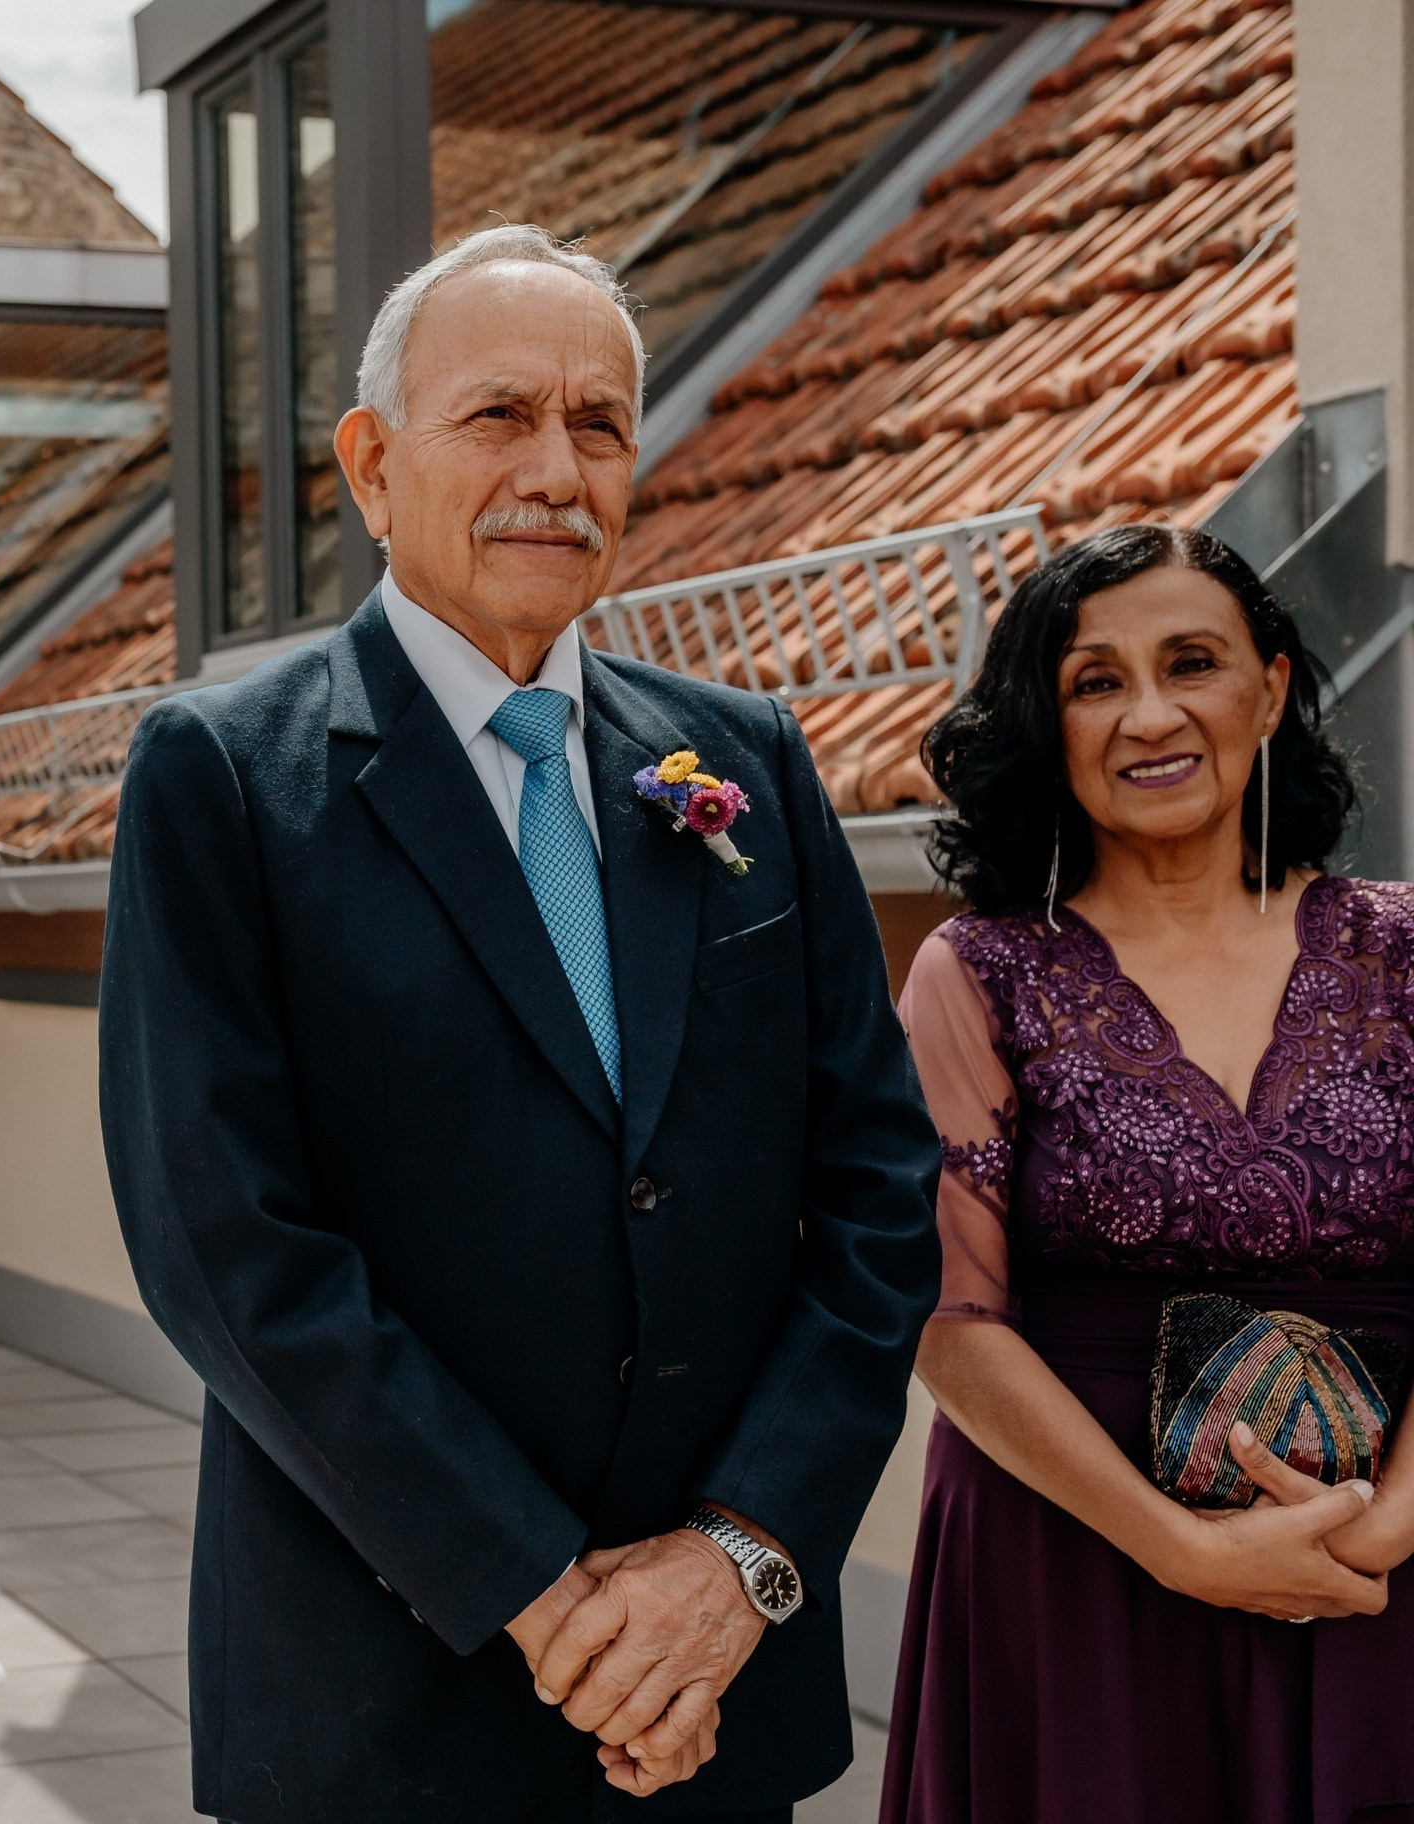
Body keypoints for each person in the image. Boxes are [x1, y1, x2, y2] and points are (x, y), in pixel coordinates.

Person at [97, 222, 942, 1824]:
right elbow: (224, 1244)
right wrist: (553, 1605)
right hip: (387, 1692)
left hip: (720, 1683)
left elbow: (882, 1189)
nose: (557, 469)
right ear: (371, 465)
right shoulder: (224, 778)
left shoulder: (747, 760)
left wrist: (739, 1559)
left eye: (599, 423)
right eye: (498, 415)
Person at [883, 524, 1414, 1823]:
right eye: (1095, 681)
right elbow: (948, 1315)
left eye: (1192, 663)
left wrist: (1384, 1523)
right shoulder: (975, 974)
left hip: (1384, 1574)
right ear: (1046, 723)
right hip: (1069, 1572)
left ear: (1270, 690)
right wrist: (1175, 1544)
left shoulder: (1405, 954)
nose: (1150, 715)